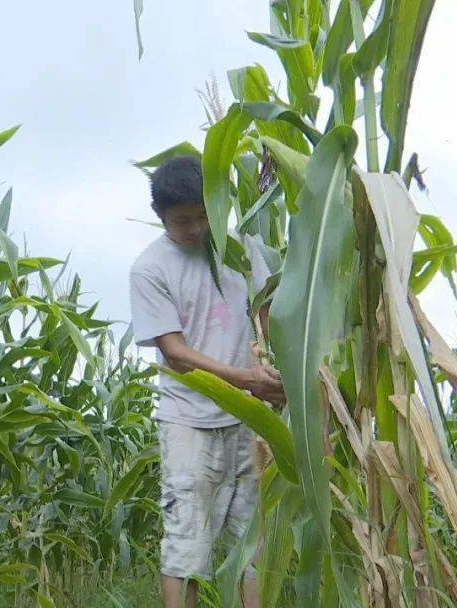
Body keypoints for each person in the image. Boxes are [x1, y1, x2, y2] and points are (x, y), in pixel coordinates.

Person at [129, 155, 285, 608]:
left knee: (252, 543)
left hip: (250, 420)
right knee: (186, 545)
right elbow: (175, 354)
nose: (196, 229)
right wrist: (246, 381)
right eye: (182, 221)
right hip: (189, 423)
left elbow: (265, 312)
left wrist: (281, 374)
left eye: (203, 216)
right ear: (160, 217)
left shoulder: (238, 249)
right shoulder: (151, 268)